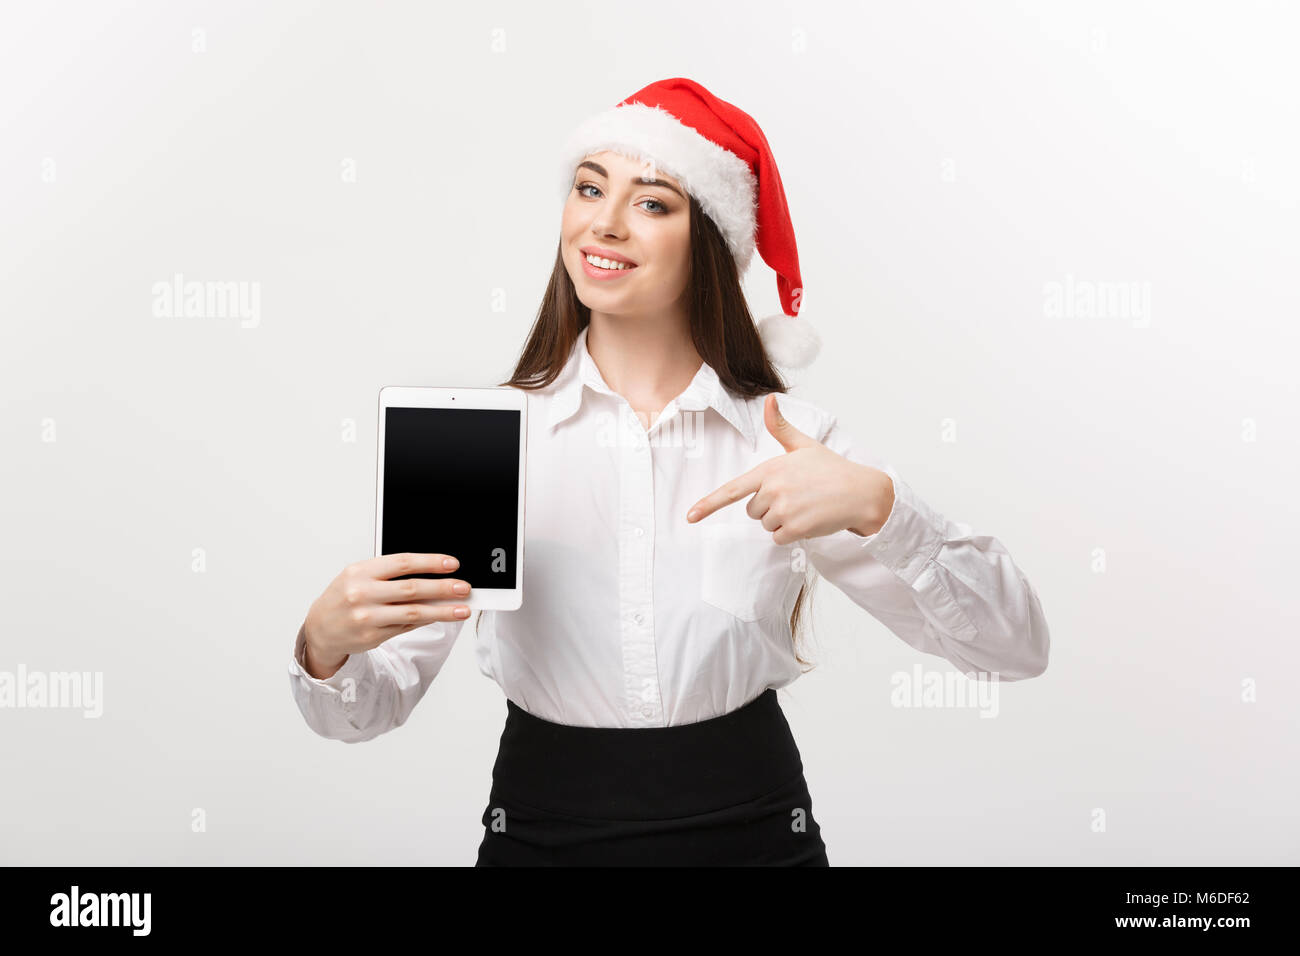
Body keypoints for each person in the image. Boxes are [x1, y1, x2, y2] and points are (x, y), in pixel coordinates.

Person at [287, 77, 1051, 866]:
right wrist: (324, 645)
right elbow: (364, 711)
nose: (604, 224)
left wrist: (883, 507)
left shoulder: (788, 442)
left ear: (709, 240)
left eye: (652, 202)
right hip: (542, 837)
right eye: (589, 189)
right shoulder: (491, 442)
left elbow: (1015, 648)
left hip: (755, 840)